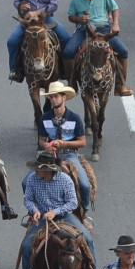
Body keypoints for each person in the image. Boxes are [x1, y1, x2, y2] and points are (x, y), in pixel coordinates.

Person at [17, 150, 95, 269]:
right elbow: (27, 198)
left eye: (39, 168)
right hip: (42, 219)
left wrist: (55, 211)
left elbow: (72, 202)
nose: (35, 171)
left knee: (87, 239)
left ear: (47, 170)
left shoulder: (65, 180)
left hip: (64, 216)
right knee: (27, 245)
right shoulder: (33, 179)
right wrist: (34, 210)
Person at [63, 0, 132, 92]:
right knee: (68, 51)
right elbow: (70, 16)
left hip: (103, 28)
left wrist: (115, 24)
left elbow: (114, 9)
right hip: (84, 29)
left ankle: (120, 86)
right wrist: (80, 19)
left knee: (123, 50)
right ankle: (71, 83)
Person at [35, 80, 94, 213]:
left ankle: (84, 212)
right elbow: (41, 141)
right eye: (51, 96)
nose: (54, 99)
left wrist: (64, 143)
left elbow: (82, 142)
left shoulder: (75, 118)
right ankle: (33, 212)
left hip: (69, 154)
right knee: (27, 181)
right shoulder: (45, 118)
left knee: (84, 185)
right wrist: (47, 146)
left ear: (64, 97)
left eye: (57, 96)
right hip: (49, 155)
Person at [7, 0, 68, 77]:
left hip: (46, 19)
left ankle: (66, 68)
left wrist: (37, 12)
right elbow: (16, 1)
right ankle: (14, 69)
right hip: (27, 21)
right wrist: (20, 6)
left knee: (66, 38)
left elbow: (54, 5)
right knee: (12, 41)